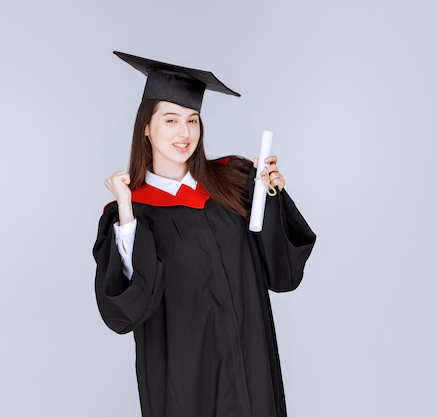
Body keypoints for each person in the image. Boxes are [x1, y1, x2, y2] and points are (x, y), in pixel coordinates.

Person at [93, 51, 316, 417]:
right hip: (185, 387)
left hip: (250, 373)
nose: (184, 133)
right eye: (171, 120)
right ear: (146, 128)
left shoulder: (235, 181)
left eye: (193, 120)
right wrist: (126, 210)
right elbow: (126, 311)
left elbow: (282, 274)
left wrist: (272, 195)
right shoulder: (134, 212)